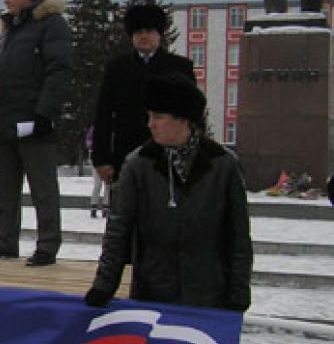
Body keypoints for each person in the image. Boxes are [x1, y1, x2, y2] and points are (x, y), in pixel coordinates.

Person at [85, 73, 253, 311]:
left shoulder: (223, 165)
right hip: (152, 294)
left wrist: (239, 292)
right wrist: (104, 286)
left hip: (209, 296)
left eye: (158, 117)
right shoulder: (138, 164)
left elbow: (238, 236)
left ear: (183, 119)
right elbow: (118, 229)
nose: (150, 124)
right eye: (149, 116)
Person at [0, 0, 73, 266]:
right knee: (5, 187)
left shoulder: (51, 25)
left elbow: (59, 70)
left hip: (34, 122)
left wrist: (44, 114)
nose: (6, 0)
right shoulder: (11, 28)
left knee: (42, 188)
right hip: (6, 121)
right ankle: (6, 241)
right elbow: (2, 77)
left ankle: (48, 245)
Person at [91, 4, 194, 190]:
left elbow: (192, 115)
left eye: (149, 31)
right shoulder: (117, 69)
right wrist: (101, 159)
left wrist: (190, 155)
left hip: (169, 154)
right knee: (125, 212)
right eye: (138, 31)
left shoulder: (180, 68)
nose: (144, 36)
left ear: (159, 33)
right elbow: (103, 115)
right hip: (125, 154)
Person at [85, 126, 109, 218]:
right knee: (98, 183)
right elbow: (88, 142)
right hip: (97, 156)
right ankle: (94, 207)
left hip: (106, 157)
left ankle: (105, 208)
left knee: (107, 184)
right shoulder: (95, 129)